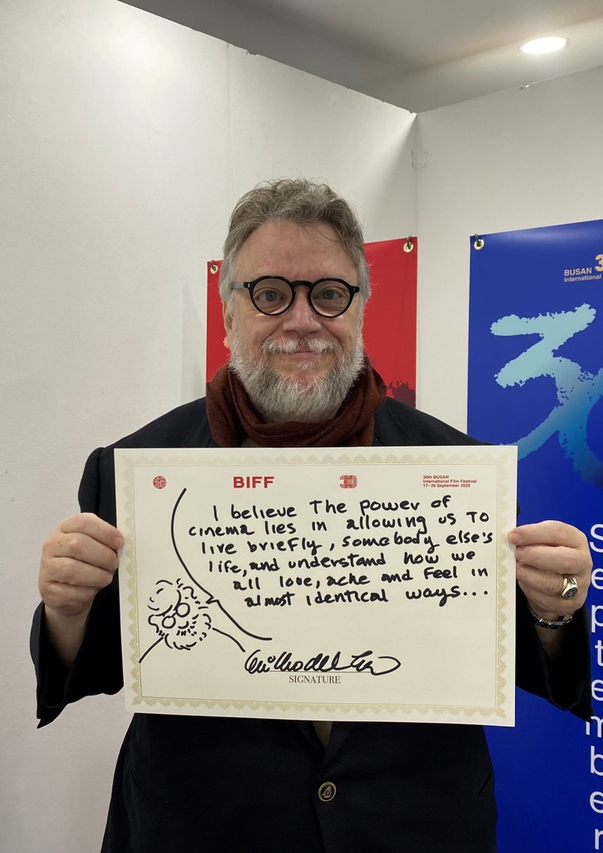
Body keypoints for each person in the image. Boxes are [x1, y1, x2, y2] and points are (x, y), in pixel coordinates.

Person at [32, 179, 592, 853]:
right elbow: (100, 661)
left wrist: (556, 607)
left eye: (328, 294)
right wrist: (66, 610)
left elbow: (526, 660)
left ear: (359, 310)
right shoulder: (137, 468)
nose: (302, 320)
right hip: (201, 825)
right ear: (229, 315)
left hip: (413, 826)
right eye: (270, 293)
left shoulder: (462, 471)